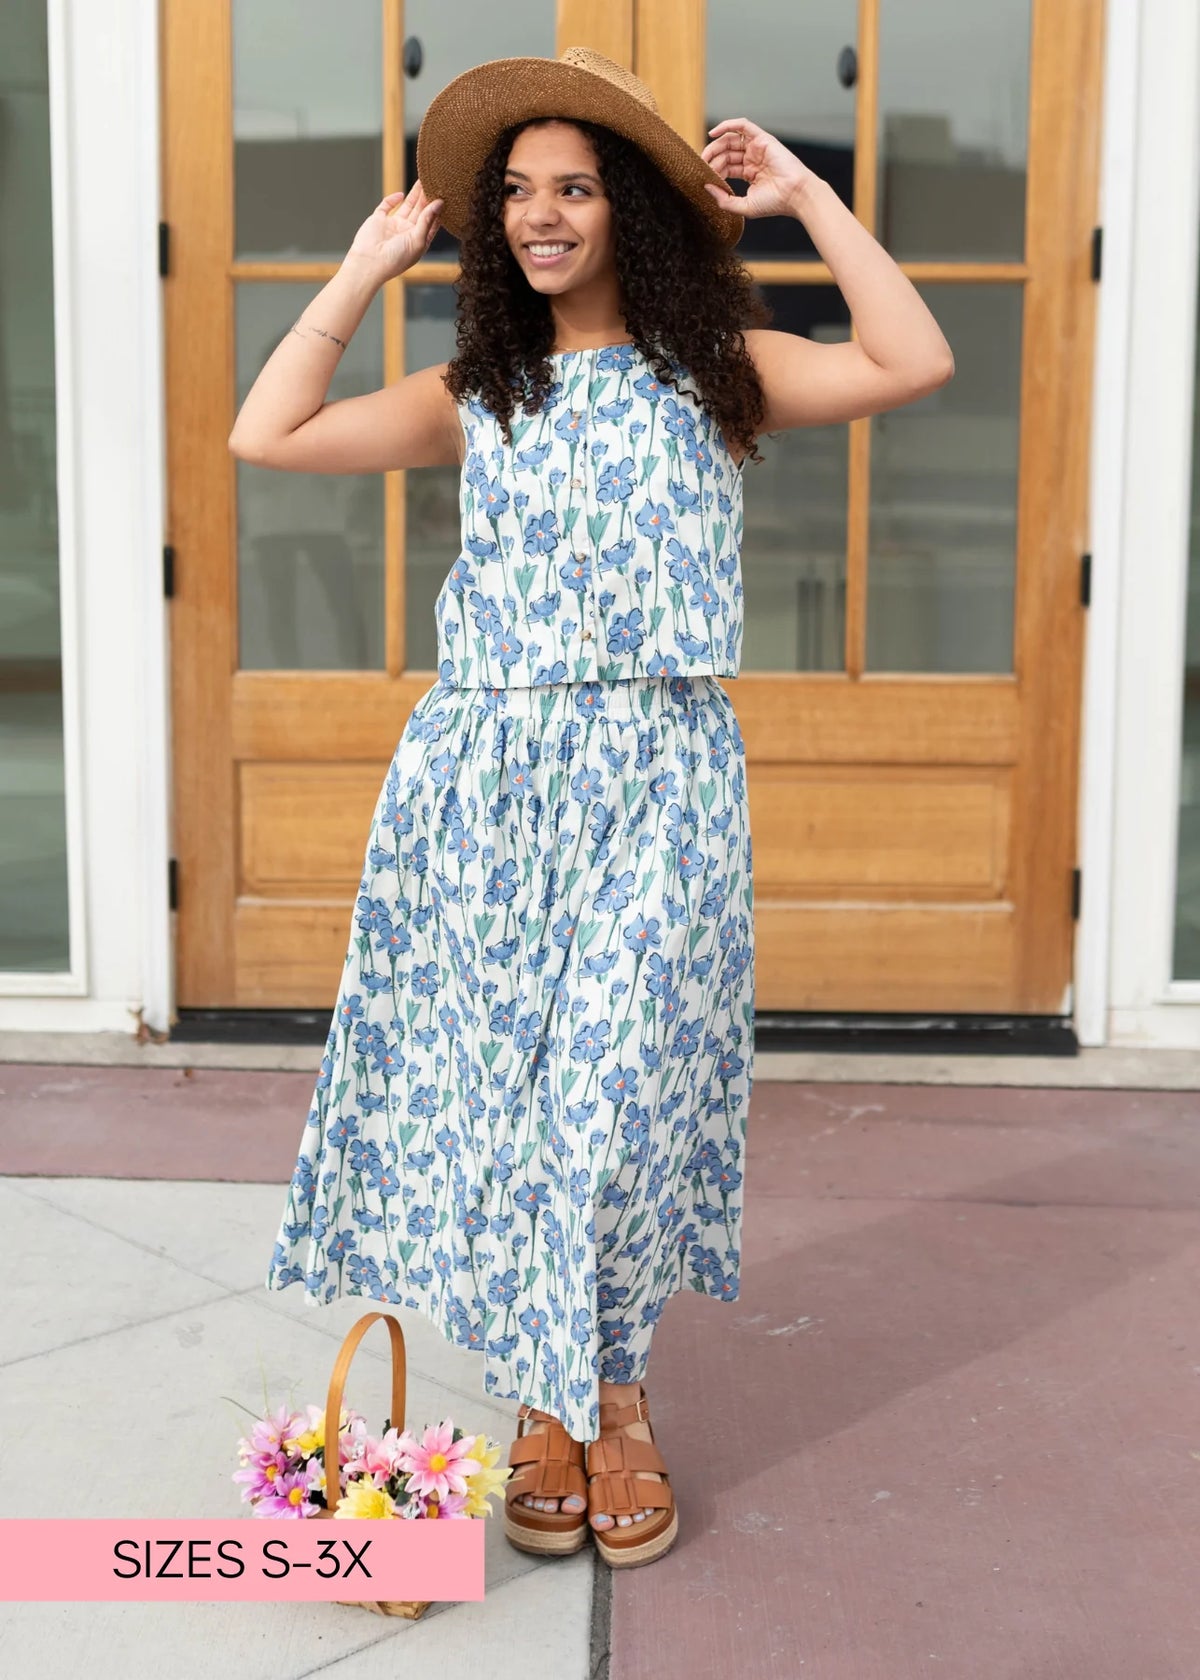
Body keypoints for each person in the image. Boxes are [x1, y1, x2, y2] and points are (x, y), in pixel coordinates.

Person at [233, 46, 954, 1571]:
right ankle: (561, 1409)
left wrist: (809, 194)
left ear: (628, 207)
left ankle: (610, 1395)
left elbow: (910, 360)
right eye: (516, 194)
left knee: (615, 1095)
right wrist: (363, 267)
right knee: (509, 1110)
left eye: (572, 188)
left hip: (662, 776)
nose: (540, 216)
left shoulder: (719, 375)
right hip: (486, 791)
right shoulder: (482, 391)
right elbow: (269, 434)